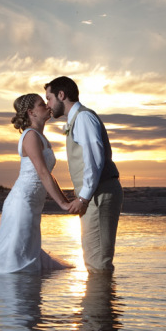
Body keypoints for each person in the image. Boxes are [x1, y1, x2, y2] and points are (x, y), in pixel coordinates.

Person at [0, 93, 74, 274]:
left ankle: (25, 297)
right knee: (17, 260)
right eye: (41, 104)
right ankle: (19, 300)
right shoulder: (30, 136)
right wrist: (63, 204)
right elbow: (43, 173)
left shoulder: (41, 137)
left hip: (34, 203)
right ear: (31, 112)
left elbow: (49, 176)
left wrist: (66, 199)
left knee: (27, 252)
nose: (47, 105)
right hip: (22, 202)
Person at [44, 76, 123, 274]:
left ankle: (100, 303)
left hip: (98, 194)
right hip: (95, 195)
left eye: (49, 99)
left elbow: (93, 160)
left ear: (61, 95)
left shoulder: (84, 118)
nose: (48, 105)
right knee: (95, 258)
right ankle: (102, 302)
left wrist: (83, 197)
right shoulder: (78, 119)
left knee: (98, 261)